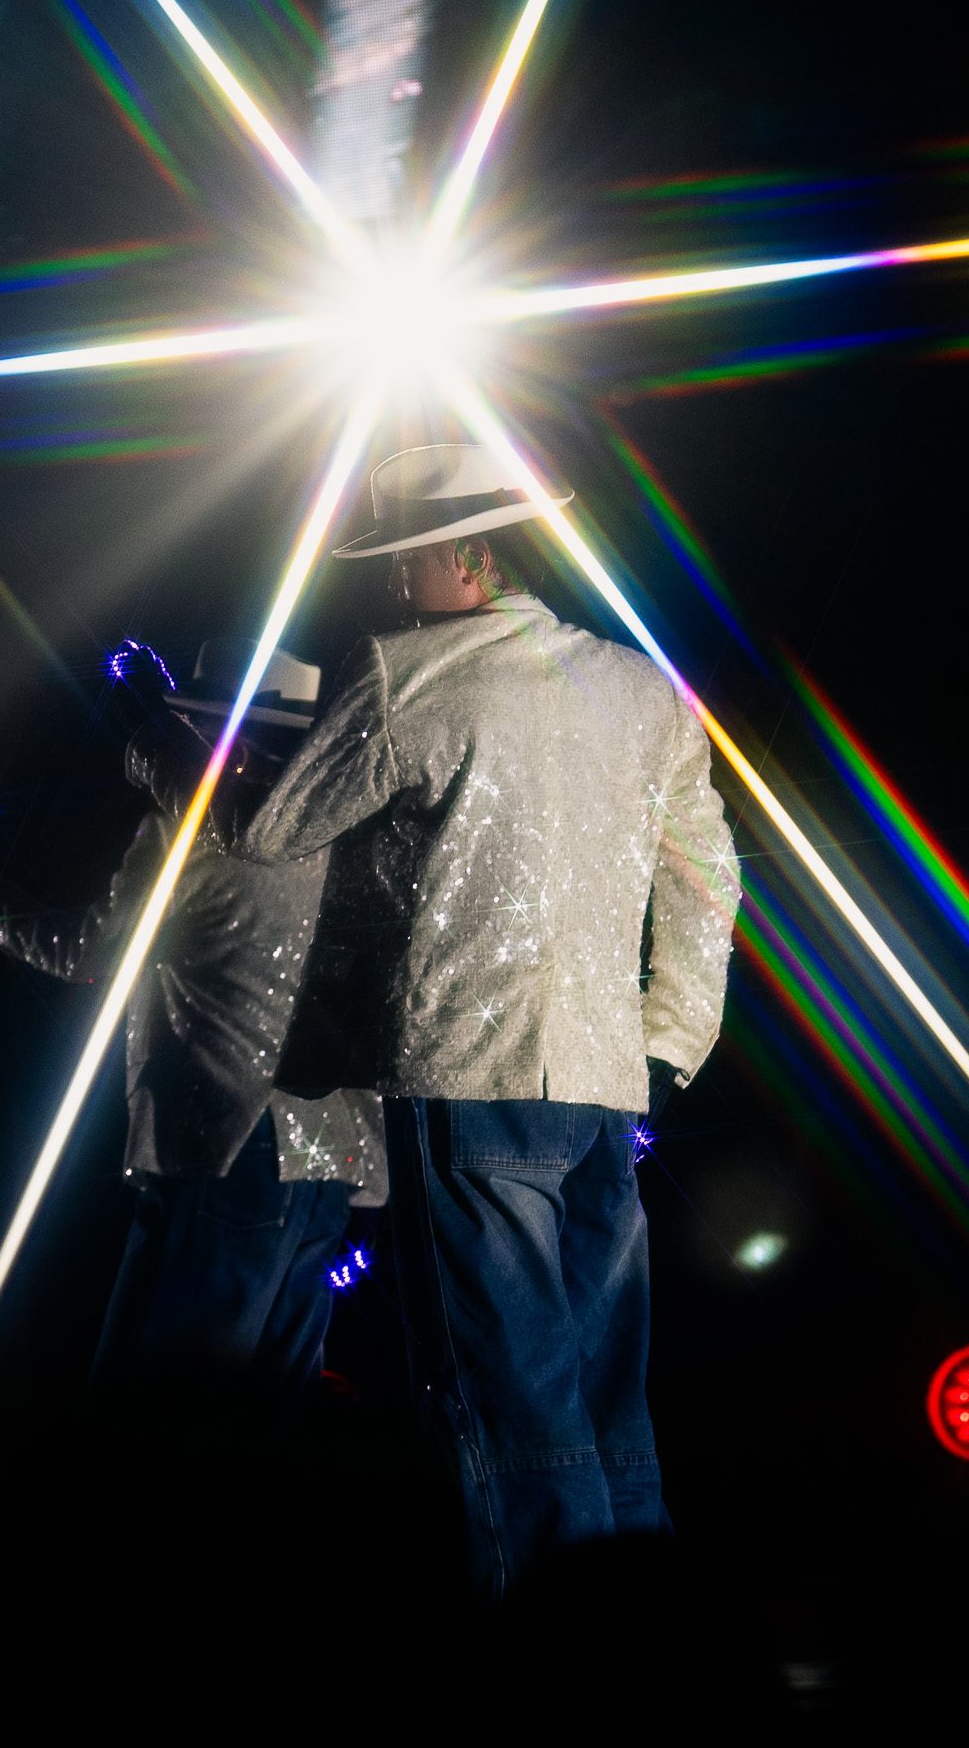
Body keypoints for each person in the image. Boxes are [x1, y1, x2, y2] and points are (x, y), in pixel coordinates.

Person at [235, 443, 741, 1595]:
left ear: (468, 552)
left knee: (509, 1404)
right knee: (610, 1406)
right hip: (604, 1086)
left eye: (405, 554)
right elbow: (707, 875)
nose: (392, 578)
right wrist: (672, 1039)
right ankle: (650, 1651)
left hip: (465, 1076)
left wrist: (176, 752)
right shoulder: (641, 689)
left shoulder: (403, 673)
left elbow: (270, 832)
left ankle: (546, 1661)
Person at [0, 640, 385, 1423]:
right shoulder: (351, 833)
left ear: (224, 738)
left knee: (171, 1412)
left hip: (228, 1143)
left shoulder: (189, 834)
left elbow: (90, 953)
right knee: (273, 1418)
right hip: (335, 1154)